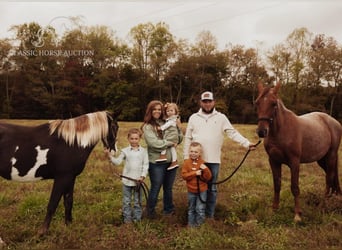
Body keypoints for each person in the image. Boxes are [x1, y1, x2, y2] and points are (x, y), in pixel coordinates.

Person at [183, 91, 256, 219]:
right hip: (197, 160)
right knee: (196, 187)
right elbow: (188, 138)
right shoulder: (193, 117)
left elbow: (232, 133)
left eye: (209, 101)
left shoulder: (221, 117)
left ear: (213, 102)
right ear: (201, 102)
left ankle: (209, 216)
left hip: (213, 160)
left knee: (212, 188)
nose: (207, 104)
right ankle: (195, 215)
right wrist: (186, 158)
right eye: (204, 101)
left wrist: (246, 143)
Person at [141, 100, 183, 218]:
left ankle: (168, 210)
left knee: (168, 187)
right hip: (156, 162)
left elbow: (179, 139)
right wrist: (170, 143)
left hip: (171, 161)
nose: (157, 111)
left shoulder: (168, 122)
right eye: (155, 109)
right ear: (150, 111)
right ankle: (149, 211)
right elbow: (154, 143)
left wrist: (179, 128)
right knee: (156, 186)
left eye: (159, 109)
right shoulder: (148, 126)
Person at [105, 128, 149, 224]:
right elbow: (117, 162)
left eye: (136, 138)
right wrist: (110, 157)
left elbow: (146, 165)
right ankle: (127, 220)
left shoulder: (143, 151)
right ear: (128, 139)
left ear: (139, 139)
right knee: (126, 201)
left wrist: (142, 176)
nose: (134, 141)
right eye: (132, 138)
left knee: (138, 202)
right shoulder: (125, 151)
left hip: (138, 181)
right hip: (127, 181)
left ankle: (137, 219)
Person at [181, 142, 212, 227]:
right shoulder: (186, 163)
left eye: (196, 152)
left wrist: (205, 169)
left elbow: (208, 178)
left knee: (200, 209)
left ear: (200, 153)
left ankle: (199, 226)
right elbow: (184, 176)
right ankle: (191, 226)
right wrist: (194, 173)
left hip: (202, 190)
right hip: (191, 190)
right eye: (191, 151)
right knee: (191, 209)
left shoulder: (203, 163)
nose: (193, 154)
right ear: (189, 152)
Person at [155, 102, 181, 171]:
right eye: (168, 111)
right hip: (173, 136)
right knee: (172, 149)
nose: (169, 112)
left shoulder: (173, 119)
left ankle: (163, 155)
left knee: (165, 143)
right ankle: (174, 161)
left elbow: (167, 125)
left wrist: (160, 128)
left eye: (171, 110)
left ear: (175, 111)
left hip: (171, 136)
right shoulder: (170, 119)